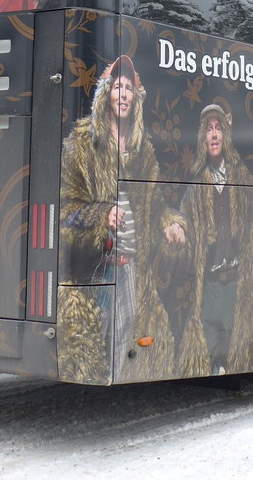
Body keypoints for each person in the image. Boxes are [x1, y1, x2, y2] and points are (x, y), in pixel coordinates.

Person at [57, 55, 177, 384]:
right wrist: (101, 215)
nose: (122, 94)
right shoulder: (83, 143)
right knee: (95, 341)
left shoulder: (143, 150)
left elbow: (155, 206)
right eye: (117, 87)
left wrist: (170, 222)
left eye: (128, 89)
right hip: (97, 266)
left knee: (123, 341)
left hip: (131, 266)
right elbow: (64, 209)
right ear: (106, 95)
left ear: (135, 99)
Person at [168, 104, 253, 376]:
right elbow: (183, 216)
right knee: (209, 349)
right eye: (208, 129)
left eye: (218, 128)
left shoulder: (240, 177)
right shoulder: (198, 183)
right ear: (203, 138)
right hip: (209, 284)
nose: (214, 135)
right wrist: (176, 225)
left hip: (237, 282)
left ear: (225, 135)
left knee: (236, 346)